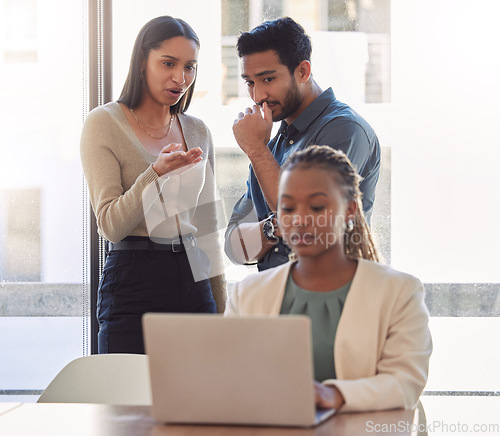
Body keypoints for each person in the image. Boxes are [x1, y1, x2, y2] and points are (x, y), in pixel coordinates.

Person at [225, 146, 432, 412]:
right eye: (287, 207)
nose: (299, 220)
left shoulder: (399, 292)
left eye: (317, 207)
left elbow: (405, 382)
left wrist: (336, 394)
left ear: (349, 210)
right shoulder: (248, 293)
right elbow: (230, 378)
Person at [80, 16, 225, 354]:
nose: (181, 78)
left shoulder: (199, 130)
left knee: (198, 399)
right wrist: (155, 175)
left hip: (195, 278)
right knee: (126, 401)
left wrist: (221, 306)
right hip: (133, 280)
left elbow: (208, 228)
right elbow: (111, 226)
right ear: (142, 62)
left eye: (190, 66)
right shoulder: (103, 123)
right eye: (168, 63)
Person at [225, 17, 381, 271]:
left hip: (332, 300)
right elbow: (233, 245)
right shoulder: (271, 145)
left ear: (303, 71)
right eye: (250, 82)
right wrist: (274, 227)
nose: (257, 96)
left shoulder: (345, 129)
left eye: (267, 79)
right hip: (274, 301)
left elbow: (307, 223)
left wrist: (255, 150)